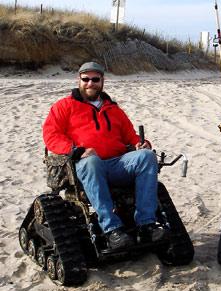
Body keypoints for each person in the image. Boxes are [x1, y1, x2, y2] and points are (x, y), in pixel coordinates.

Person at [43, 61, 164, 250]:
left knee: (147, 156)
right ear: (79, 80)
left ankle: (146, 225)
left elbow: (131, 137)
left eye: (95, 79)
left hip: (117, 164)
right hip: (85, 166)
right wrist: (77, 150)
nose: (90, 83)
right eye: (86, 79)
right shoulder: (64, 106)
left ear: (102, 81)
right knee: (91, 161)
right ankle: (112, 230)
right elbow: (51, 136)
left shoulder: (114, 110)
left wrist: (141, 144)